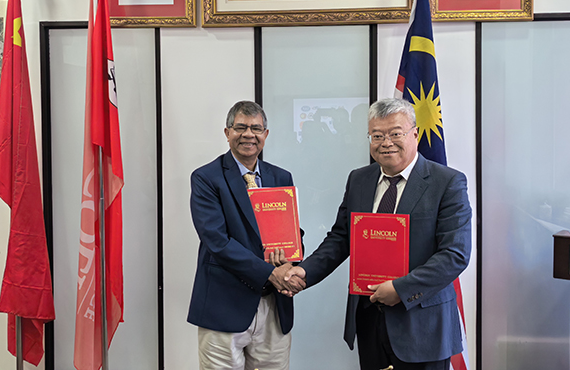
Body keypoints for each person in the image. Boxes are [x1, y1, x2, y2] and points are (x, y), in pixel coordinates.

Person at [285, 98, 472, 370]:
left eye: (396, 133)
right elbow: (341, 238)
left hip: (423, 327)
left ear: (415, 134)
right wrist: (305, 271)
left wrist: (400, 289)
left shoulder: (447, 182)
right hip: (370, 320)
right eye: (377, 135)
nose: (386, 143)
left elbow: (455, 254)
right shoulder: (359, 179)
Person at [188, 100, 303, 370]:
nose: (248, 134)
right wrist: (270, 272)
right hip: (224, 306)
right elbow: (217, 241)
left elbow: (293, 233)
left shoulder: (281, 177)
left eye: (256, 128)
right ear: (227, 132)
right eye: (240, 127)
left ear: (265, 134)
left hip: (274, 306)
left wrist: (291, 264)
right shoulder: (206, 178)